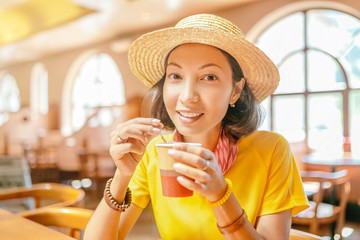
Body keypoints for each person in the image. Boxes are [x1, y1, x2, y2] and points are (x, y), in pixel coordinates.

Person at [84, 14, 309, 240]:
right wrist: (122, 177)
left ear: (235, 91)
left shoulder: (271, 150)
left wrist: (221, 195)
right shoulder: (154, 151)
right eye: (176, 76)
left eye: (209, 77)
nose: (187, 96)